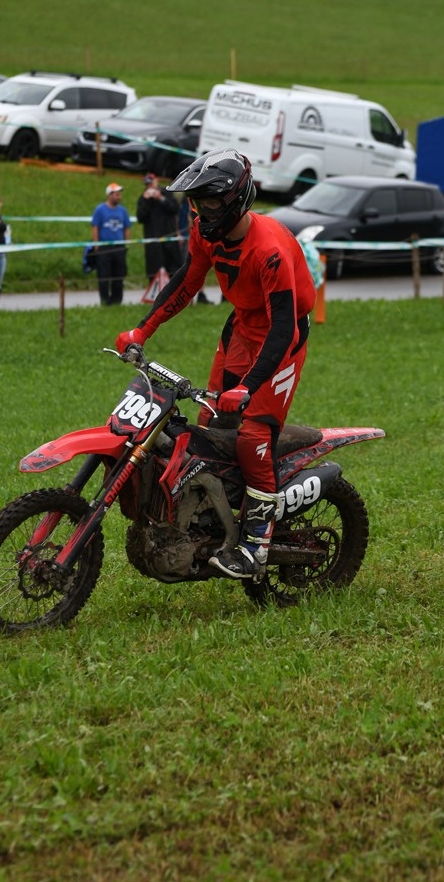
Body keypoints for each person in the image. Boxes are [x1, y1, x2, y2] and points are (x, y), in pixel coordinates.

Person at [115, 149, 317, 581]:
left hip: (282, 339)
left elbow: (283, 328)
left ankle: (255, 546)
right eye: (195, 203)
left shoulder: (269, 249)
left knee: (252, 436)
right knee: (208, 426)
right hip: (242, 327)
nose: (200, 212)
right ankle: (213, 521)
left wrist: (248, 387)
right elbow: (187, 281)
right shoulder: (204, 232)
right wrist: (141, 330)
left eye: (208, 203)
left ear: (235, 200)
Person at [136, 173, 182, 282]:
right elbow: (140, 217)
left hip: (169, 237)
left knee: (174, 269)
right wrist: (146, 201)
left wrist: (161, 198)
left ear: (156, 182)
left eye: (151, 183)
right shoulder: (143, 199)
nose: (150, 186)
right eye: (148, 185)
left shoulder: (166, 193)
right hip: (153, 240)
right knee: (154, 270)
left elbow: (175, 209)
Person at [91, 183, 131, 306]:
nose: (119, 196)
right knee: (104, 276)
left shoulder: (123, 211)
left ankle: (117, 300)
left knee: (119, 275)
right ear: (109, 195)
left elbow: (126, 227)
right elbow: (95, 227)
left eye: (119, 194)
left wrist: (126, 244)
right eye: (116, 194)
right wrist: (96, 244)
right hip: (104, 247)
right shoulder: (100, 210)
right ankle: (105, 301)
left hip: (119, 247)